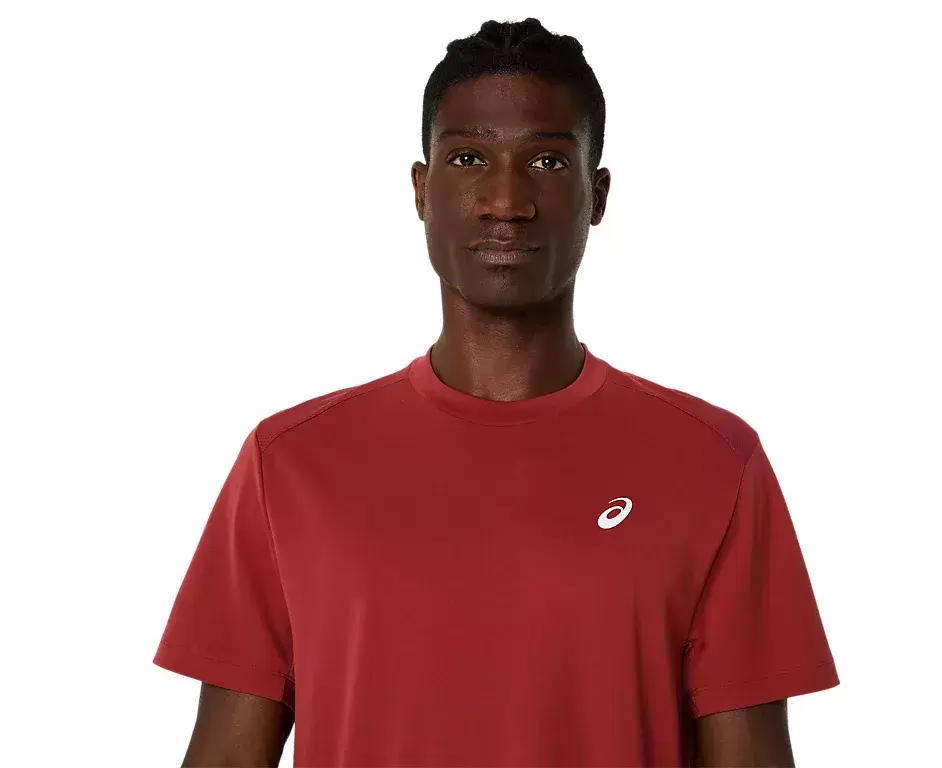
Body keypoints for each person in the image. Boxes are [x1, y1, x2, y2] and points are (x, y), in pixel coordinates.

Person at [153, 17, 839, 767]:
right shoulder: (288, 463)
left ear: (596, 194)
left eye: (546, 160)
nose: (506, 201)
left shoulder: (713, 463)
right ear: (422, 190)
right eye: (469, 158)